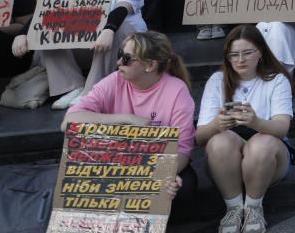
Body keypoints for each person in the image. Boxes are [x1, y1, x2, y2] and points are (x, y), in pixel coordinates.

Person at [65, 31, 197, 209]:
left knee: (182, 186)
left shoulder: (177, 91)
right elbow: (68, 121)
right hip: (115, 162)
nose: (119, 62)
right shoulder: (114, 81)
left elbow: (183, 149)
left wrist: (162, 174)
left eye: (126, 58)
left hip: (157, 162)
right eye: (120, 54)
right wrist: (126, 119)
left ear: (150, 65)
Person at [19, 0, 147, 109]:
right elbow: (51, 9)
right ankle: (72, 87)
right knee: (49, 30)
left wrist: (109, 29)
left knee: (116, 26)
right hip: (88, 45)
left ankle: (92, 91)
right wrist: (23, 33)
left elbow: (123, 8)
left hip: (121, 45)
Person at [196, 25, 294, 233]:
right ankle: (233, 208)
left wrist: (256, 122)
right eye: (234, 55)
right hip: (225, 162)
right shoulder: (217, 80)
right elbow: (200, 137)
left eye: (247, 53)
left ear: (260, 52)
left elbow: (282, 127)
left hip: (271, 158)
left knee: (262, 142)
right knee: (220, 140)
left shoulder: (277, 80)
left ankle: (253, 208)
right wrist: (216, 125)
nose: (240, 60)